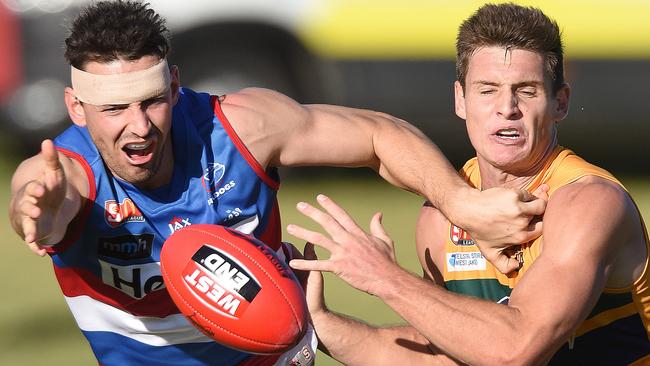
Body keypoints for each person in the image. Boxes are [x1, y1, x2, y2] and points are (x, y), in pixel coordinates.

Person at [7, 1, 547, 365]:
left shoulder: (241, 127)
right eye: (114, 109)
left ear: (174, 85)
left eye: (151, 101)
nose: (140, 125)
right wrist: (38, 210)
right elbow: (38, 193)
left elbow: (378, 135)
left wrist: (461, 203)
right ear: (76, 107)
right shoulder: (66, 177)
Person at [289, 3, 650, 365]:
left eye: (526, 90)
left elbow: (515, 350)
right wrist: (318, 324)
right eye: (487, 90)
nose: (506, 107)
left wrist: (384, 276)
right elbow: (442, 356)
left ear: (561, 103)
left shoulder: (590, 203)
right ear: (460, 100)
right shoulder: (440, 220)